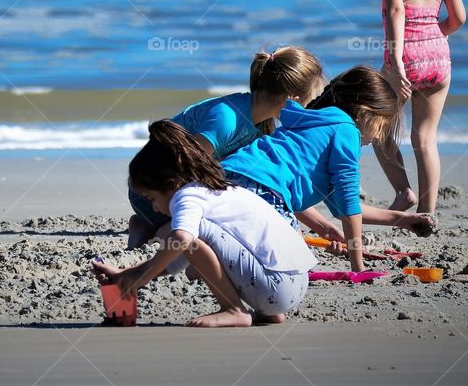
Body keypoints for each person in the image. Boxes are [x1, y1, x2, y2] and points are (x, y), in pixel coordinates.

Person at [93, 120, 316, 327]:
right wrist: (129, 273)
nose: (153, 208)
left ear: (170, 184)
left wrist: (141, 278)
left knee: (187, 235)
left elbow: (183, 241)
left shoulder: (187, 196)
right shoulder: (216, 188)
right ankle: (269, 312)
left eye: (152, 199)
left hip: (274, 287)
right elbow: (181, 258)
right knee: (191, 235)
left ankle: (233, 310)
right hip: (293, 284)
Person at [221, 67, 436, 272]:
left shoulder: (313, 123)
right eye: (382, 126)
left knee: (227, 237)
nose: (380, 136)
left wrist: (403, 220)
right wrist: (357, 265)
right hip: (262, 192)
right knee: (296, 263)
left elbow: (328, 202)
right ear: (364, 113)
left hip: (227, 178)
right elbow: (349, 203)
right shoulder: (346, 130)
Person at [127, 46, 336, 247]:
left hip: (179, 191)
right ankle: (152, 229)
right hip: (152, 193)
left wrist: (325, 228)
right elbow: (182, 168)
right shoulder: (226, 119)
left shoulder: (263, 125)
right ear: (292, 100)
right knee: (220, 228)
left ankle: (151, 228)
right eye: (309, 103)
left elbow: (273, 185)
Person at [372, 0, 466, 213]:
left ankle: (404, 192)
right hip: (438, 57)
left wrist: (396, 57)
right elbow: (458, 18)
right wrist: (432, 34)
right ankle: (427, 214)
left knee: (380, 130)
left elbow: (397, 9)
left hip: (405, 57)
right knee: (425, 139)